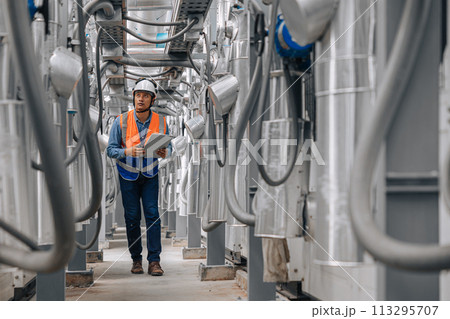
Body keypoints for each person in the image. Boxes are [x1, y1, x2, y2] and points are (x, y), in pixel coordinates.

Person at [106, 78, 170, 276]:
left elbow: (168, 146)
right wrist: (128, 152)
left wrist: (163, 152)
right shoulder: (121, 121)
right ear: (134, 97)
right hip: (128, 176)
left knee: (152, 216)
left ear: (153, 99)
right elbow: (110, 150)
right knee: (132, 218)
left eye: (145, 96)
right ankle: (136, 260)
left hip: (150, 173)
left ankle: (154, 261)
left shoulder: (160, 121)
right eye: (138, 95)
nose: (141, 99)